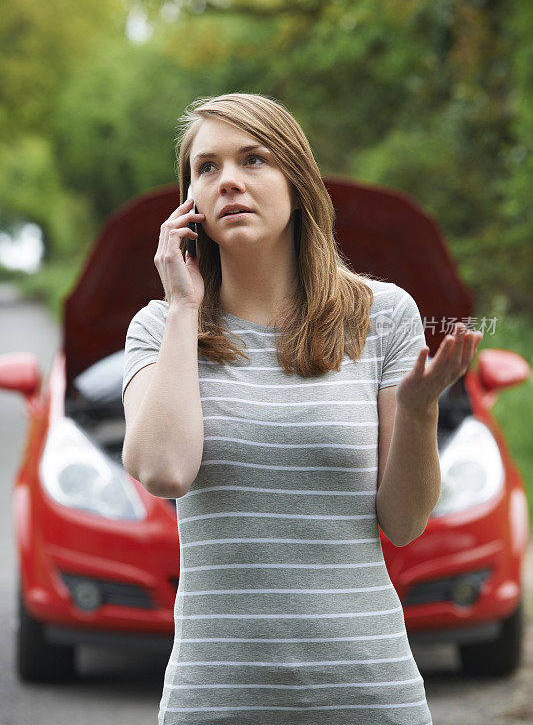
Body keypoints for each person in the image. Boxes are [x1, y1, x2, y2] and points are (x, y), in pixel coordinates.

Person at [121, 92, 482, 724]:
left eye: (253, 159)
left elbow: (403, 521)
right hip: (217, 699)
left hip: (369, 694)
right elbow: (164, 471)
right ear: (189, 207)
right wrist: (183, 306)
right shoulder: (159, 329)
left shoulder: (381, 315)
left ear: (297, 181)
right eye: (206, 168)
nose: (228, 179)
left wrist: (420, 412)